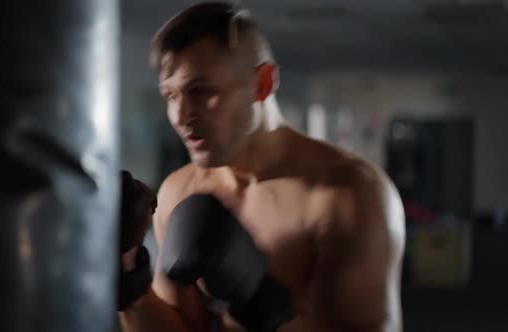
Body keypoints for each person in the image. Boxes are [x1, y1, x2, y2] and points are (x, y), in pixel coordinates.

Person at [117, 2, 405, 331]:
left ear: (263, 83)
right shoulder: (179, 192)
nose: (181, 117)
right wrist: (129, 278)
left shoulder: (350, 195)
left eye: (200, 91)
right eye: (171, 96)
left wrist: (259, 306)